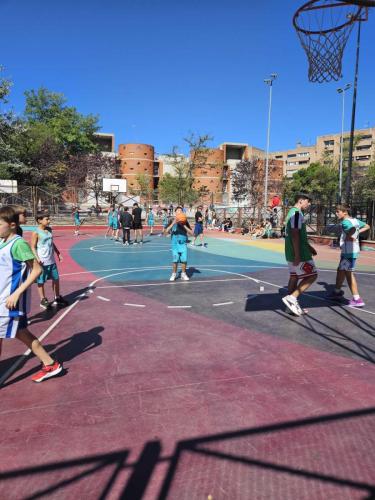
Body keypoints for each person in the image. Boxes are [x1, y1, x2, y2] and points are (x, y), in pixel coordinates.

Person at [0, 206, 62, 382]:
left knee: (16, 333)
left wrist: (17, 293)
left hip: (9, 300)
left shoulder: (18, 244)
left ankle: (51, 364)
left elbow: (36, 270)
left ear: (12, 225)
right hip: (3, 299)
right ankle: (50, 364)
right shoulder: (2, 242)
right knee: (22, 333)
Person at [282, 193, 318, 317]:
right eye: (308, 201)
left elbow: (297, 235)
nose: (309, 204)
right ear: (301, 201)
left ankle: (290, 306)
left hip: (290, 251)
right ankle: (292, 298)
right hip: (299, 253)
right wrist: (298, 254)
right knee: (312, 276)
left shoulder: (291, 213)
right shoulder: (297, 214)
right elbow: (295, 234)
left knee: (294, 276)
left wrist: (309, 246)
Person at [327, 205, 370, 307]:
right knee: (340, 270)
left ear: (345, 212)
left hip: (348, 252)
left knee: (349, 274)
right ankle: (337, 292)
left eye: (338, 211)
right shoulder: (354, 220)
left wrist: (351, 235)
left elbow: (351, 230)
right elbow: (367, 226)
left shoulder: (345, 222)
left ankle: (357, 299)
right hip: (352, 251)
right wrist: (356, 233)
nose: (336, 213)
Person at [31, 213, 68, 309]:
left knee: (56, 279)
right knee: (41, 281)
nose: (49, 221)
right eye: (47, 219)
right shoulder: (36, 232)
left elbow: (51, 243)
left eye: (49, 219)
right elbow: (33, 247)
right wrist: (37, 259)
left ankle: (57, 297)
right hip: (42, 261)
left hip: (51, 261)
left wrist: (58, 253)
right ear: (39, 220)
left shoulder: (49, 230)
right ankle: (43, 300)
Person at [164, 207, 194, 281]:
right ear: (175, 213)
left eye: (181, 211)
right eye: (178, 211)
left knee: (184, 260)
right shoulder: (171, 220)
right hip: (175, 244)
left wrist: (184, 225)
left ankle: (183, 274)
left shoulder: (185, 221)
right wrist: (173, 223)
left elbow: (191, 233)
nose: (180, 212)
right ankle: (174, 274)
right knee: (175, 260)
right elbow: (165, 232)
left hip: (183, 243)